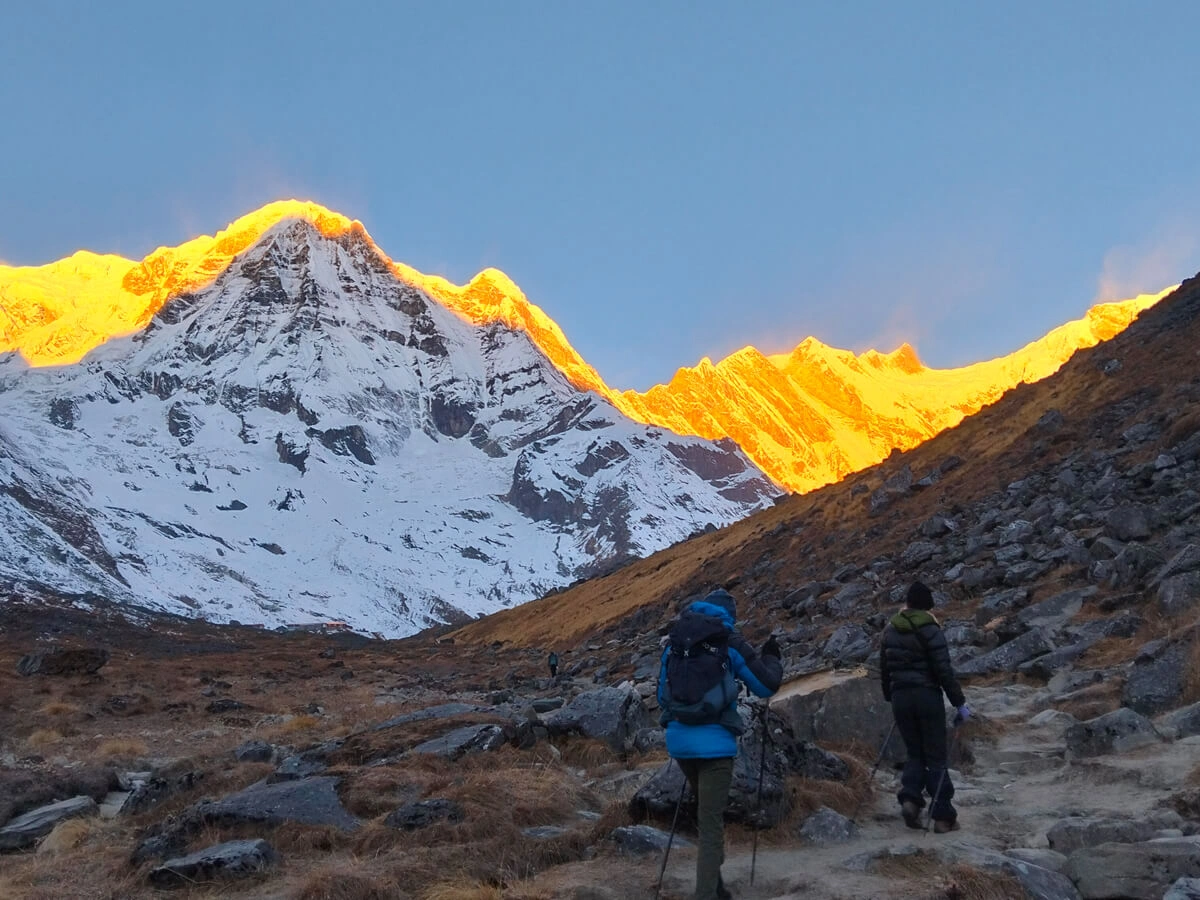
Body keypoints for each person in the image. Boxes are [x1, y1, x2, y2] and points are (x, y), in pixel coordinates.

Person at [657, 588, 782, 900]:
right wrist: (772, 658)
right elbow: (766, 686)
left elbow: (662, 696)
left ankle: (718, 888)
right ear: (730, 615)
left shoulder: (674, 643)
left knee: (706, 816)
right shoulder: (729, 641)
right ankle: (705, 894)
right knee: (710, 823)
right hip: (716, 747)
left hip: (680, 744)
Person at [880, 580, 970, 833]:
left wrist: (891, 696)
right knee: (936, 757)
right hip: (927, 697)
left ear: (907, 603)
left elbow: (885, 670)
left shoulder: (890, 631)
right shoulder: (932, 630)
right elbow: (944, 671)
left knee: (914, 753)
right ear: (928, 607)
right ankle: (942, 817)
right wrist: (959, 703)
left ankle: (910, 799)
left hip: (901, 698)